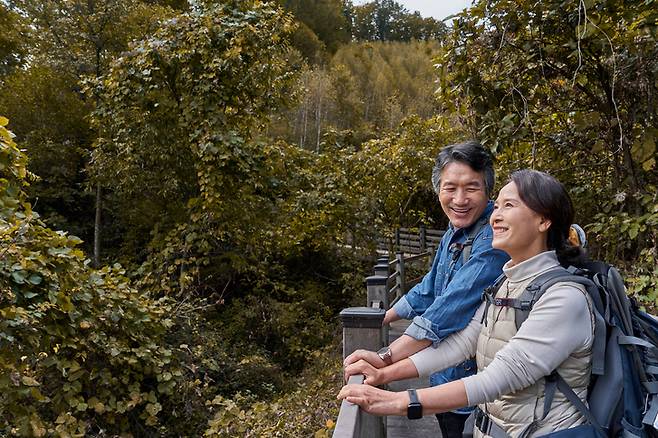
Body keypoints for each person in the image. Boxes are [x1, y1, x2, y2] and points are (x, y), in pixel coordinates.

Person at [340, 169, 595, 437]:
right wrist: (384, 372)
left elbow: (499, 377)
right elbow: (462, 344)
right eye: (496, 206)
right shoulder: (505, 283)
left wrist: (398, 401)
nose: (495, 216)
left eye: (509, 205)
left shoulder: (565, 298)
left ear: (544, 220)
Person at [344, 141, 509, 437]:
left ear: (487, 191)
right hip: (443, 376)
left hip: (474, 389)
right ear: (438, 190)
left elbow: (448, 309)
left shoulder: (492, 240)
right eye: (450, 188)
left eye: (471, 188)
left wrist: (386, 356)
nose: (459, 199)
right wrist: (383, 317)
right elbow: (431, 287)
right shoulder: (454, 231)